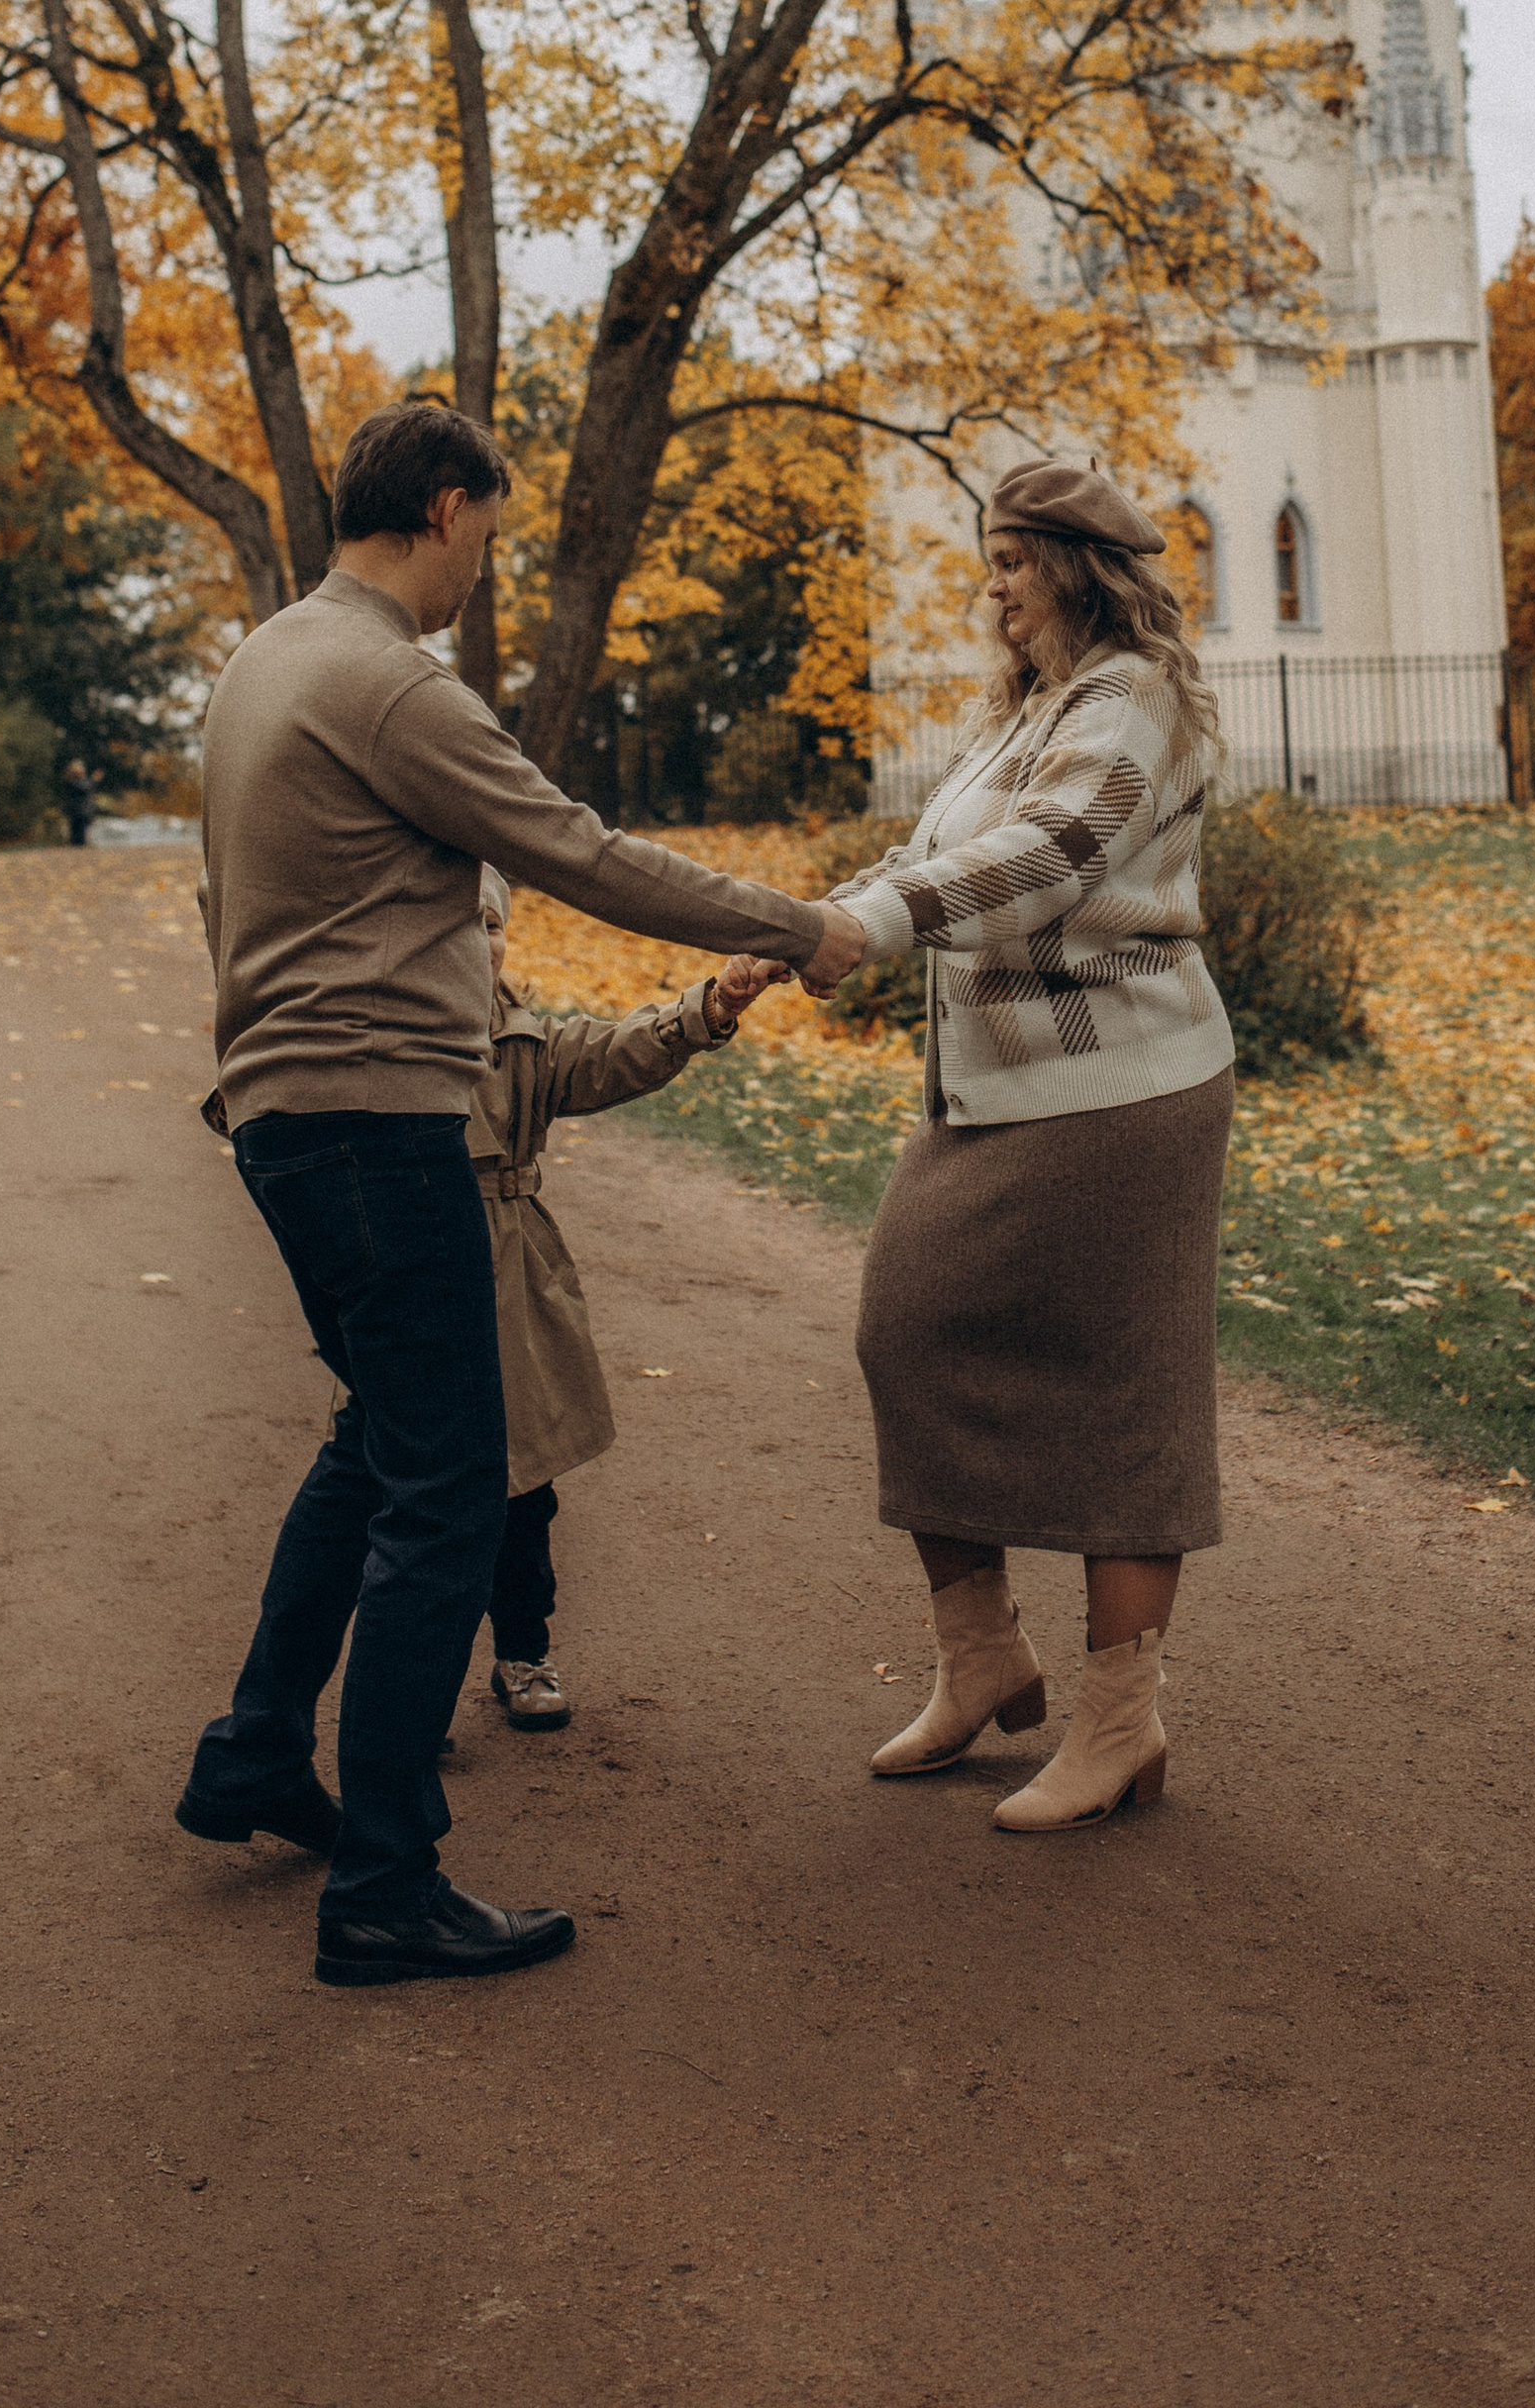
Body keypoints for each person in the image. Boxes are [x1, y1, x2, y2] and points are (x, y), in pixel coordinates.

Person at [173, 396, 863, 1988]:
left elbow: (224, 903)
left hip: (287, 1118)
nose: (486, 561)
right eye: (487, 528)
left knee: (376, 1449)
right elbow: (580, 852)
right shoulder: (389, 683)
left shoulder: (263, 662)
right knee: (448, 1493)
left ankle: (259, 1750)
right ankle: (385, 1885)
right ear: (443, 509)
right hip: (376, 1120)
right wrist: (799, 925)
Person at [811, 459, 1234, 1833]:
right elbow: (935, 859)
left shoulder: (1134, 697)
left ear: (1075, 569)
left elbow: (1050, 857)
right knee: (904, 1330)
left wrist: (873, 926)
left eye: (1009, 562)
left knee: (1126, 1393)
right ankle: (983, 1655)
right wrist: (809, 920)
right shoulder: (1032, 708)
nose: (990, 588)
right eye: (987, 561)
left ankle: (1120, 1724)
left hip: (1125, 1094)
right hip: (997, 1096)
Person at [464, 866, 781, 1735]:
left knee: (523, 1491)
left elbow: (615, 1052)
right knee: (411, 1495)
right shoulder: (384, 1038)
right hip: (416, 1274)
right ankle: (412, 1681)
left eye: (490, 925)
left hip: (513, 1285)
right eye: (454, 924)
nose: (478, 943)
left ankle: (523, 1651)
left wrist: (710, 1006)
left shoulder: (524, 1042)